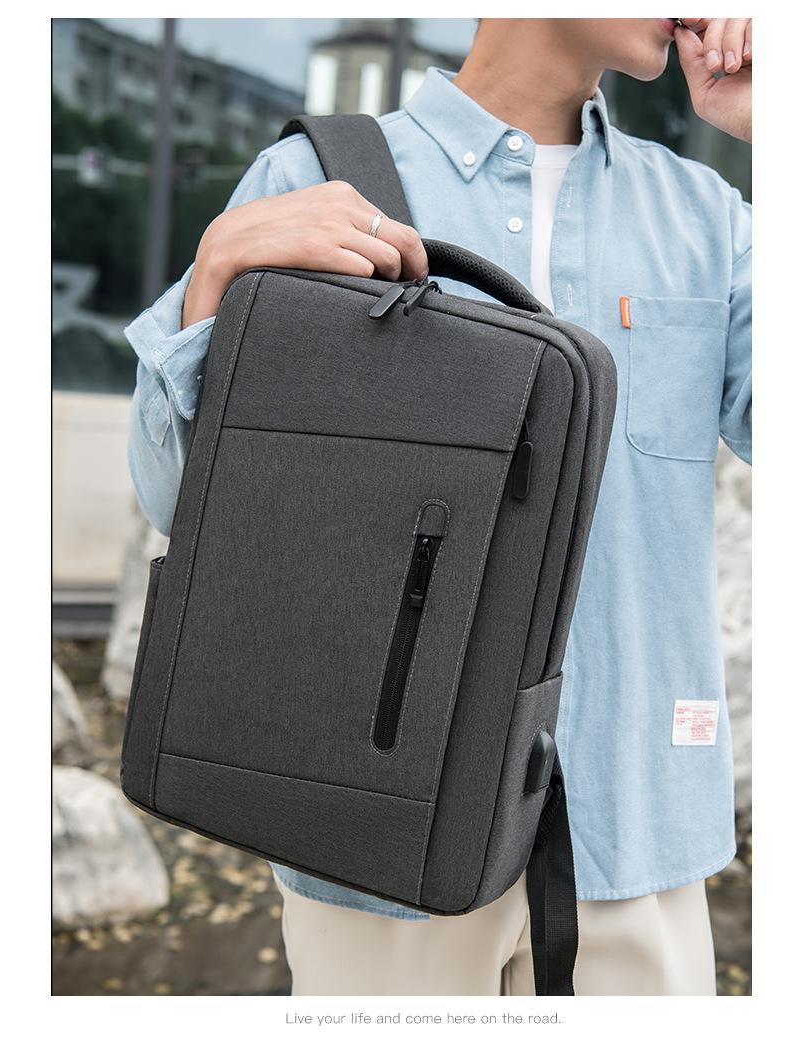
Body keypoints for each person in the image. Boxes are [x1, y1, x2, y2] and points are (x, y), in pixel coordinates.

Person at [125, 18, 752, 996]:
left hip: (634, 834)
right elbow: (183, 503)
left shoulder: (708, 216)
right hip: (375, 836)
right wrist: (212, 281)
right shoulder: (315, 180)